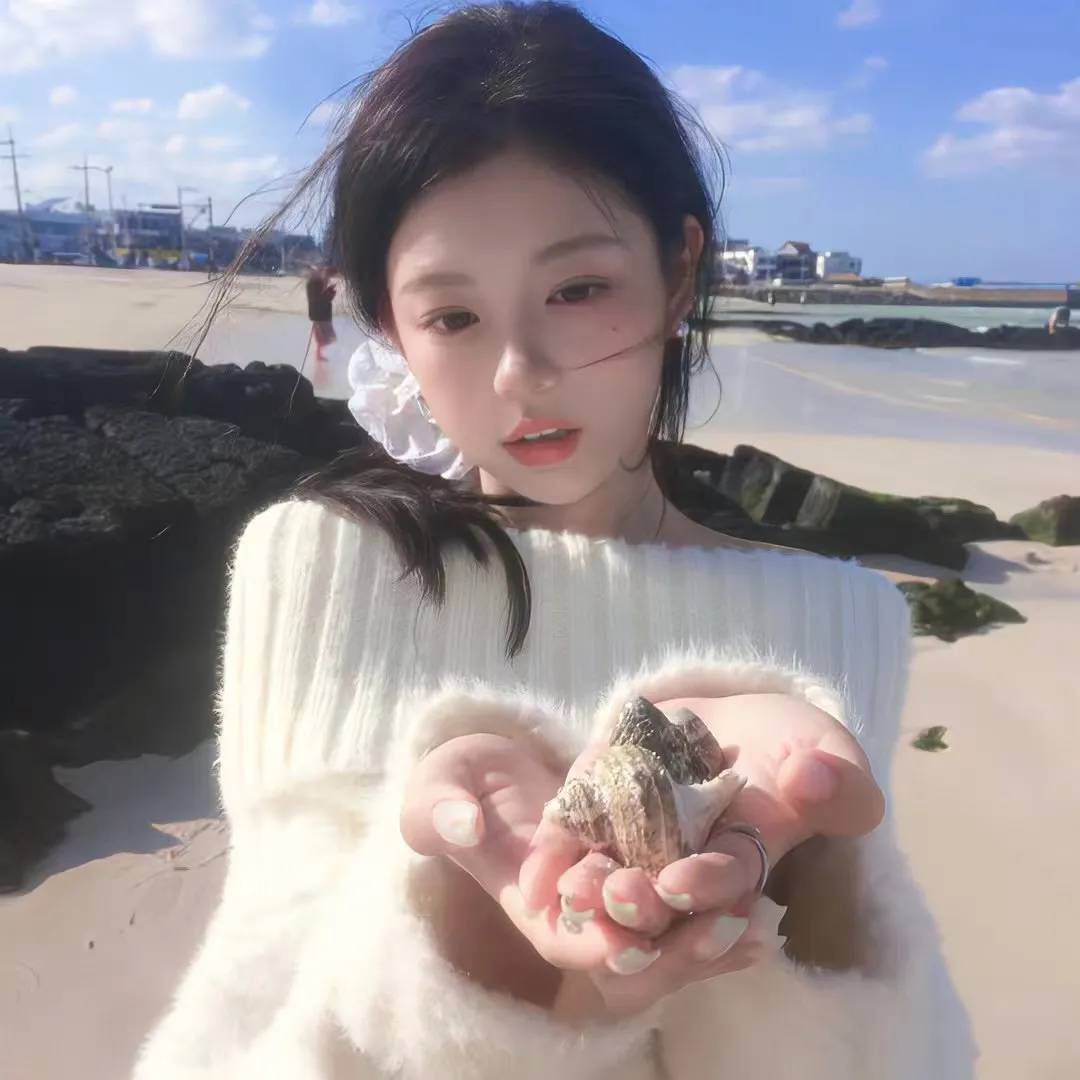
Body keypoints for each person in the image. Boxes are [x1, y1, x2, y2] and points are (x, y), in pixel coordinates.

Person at [135, 4, 974, 1078]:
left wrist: (808, 885)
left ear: (679, 271)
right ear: (389, 327)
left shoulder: (843, 623)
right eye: (453, 317)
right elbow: (238, 1035)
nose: (520, 375)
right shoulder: (324, 571)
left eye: (577, 290)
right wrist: (472, 925)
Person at [306, 262, 339, 361]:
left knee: (323, 337)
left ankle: (318, 354)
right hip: (320, 314)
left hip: (319, 313)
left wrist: (329, 291)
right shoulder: (316, 283)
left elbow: (320, 297)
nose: (328, 278)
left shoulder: (314, 282)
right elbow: (320, 299)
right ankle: (317, 354)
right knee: (326, 337)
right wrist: (331, 292)